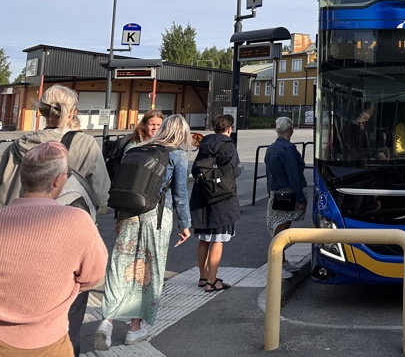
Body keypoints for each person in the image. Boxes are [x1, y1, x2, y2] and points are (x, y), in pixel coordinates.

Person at [0, 84, 110, 355]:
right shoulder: (83, 143)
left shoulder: (17, 145)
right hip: (63, 246)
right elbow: (102, 192)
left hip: (13, 234)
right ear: (72, 111)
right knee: (67, 327)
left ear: (43, 111)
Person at [93, 114, 192, 350]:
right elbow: (180, 194)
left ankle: (106, 322)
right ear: (183, 133)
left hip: (127, 214)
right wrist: (185, 224)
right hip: (156, 218)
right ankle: (134, 329)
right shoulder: (177, 154)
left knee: (119, 265)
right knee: (148, 271)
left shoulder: (138, 147)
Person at [190, 113, 241, 292]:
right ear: (229, 128)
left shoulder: (204, 144)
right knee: (217, 240)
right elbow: (234, 171)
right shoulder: (228, 146)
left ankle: (203, 277)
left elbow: (195, 169)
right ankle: (212, 281)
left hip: (202, 196)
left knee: (203, 239)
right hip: (221, 198)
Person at [264, 117, 308, 279]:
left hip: (276, 192)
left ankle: (281, 261)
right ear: (290, 129)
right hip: (288, 193)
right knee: (282, 229)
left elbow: (269, 173)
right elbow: (294, 175)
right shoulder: (288, 149)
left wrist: (270, 192)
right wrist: (301, 198)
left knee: (280, 228)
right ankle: (278, 263)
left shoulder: (271, 148)